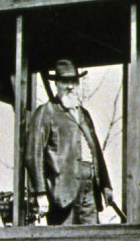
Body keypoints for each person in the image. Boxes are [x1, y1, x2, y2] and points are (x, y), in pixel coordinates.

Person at [26, 59, 114, 225]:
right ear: (57, 84)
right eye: (64, 82)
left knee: (91, 240)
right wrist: (40, 192)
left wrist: (105, 185)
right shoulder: (46, 112)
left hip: (90, 191)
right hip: (62, 193)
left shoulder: (84, 115)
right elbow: (33, 154)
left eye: (73, 81)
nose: (70, 86)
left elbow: (96, 151)